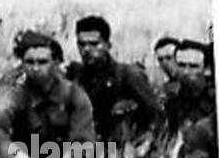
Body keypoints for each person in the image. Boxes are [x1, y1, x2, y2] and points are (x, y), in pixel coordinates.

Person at [0, 30, 95, 158]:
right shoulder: (16, 93)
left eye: (42, 62)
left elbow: (82, 141)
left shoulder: (74, 94)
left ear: (55, 63)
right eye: (29, 62)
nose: (35, 68)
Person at [64, 15, 159, 144]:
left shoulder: (127, 75)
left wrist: (140, 145)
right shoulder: (75, 77)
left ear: (108, 45)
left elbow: (155, 115)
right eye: (82, 44)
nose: (86, 49)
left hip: (119, 150)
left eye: (94, 44)